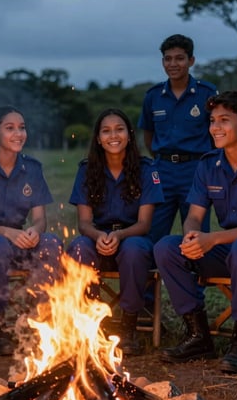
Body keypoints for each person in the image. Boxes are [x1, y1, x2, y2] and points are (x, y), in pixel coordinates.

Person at [154, 90, 237, 374]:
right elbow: (195, 215)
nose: (215, 128)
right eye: (212, 121)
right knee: (166, 248)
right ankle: (198, 336)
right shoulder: (208, 164)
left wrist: (214, 239)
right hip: (227, 250)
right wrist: (192, 236)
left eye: (224, 120)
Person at [0, 105, 63, 356]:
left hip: (19, 240)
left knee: (51, 242)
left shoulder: (32, 168)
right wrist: (8, 233)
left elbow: (39, 219)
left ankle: (44, 318)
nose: (19, 133)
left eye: (22, 128)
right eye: (10, 128)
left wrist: (35, 231)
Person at [66, 108, 164, 355]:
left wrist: (118, 236)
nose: (113, 135)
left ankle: (128, 326)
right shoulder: (87, 169)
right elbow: (84, 223)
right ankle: (89, 322)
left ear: (129, 135)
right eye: (106, 131)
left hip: (132, 237)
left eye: (119, 129)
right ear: (98, 138)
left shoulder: (145, 168)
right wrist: (100, 236)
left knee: (133, 250)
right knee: (79, 247)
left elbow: (144, 224)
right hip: (97, 237)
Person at [138, 34, 218, 243]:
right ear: (163, 61)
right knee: (153, 232)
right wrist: (162, 159)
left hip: (195, 171)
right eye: (168, 58)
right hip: (162, 170)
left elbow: (216, 134)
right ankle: (151, 274)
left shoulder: (207, 94)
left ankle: (196, 274)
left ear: (191, 61)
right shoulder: (153, 96)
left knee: (196, 234)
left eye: (180, 58)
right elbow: (148, 135)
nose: (173, 64)